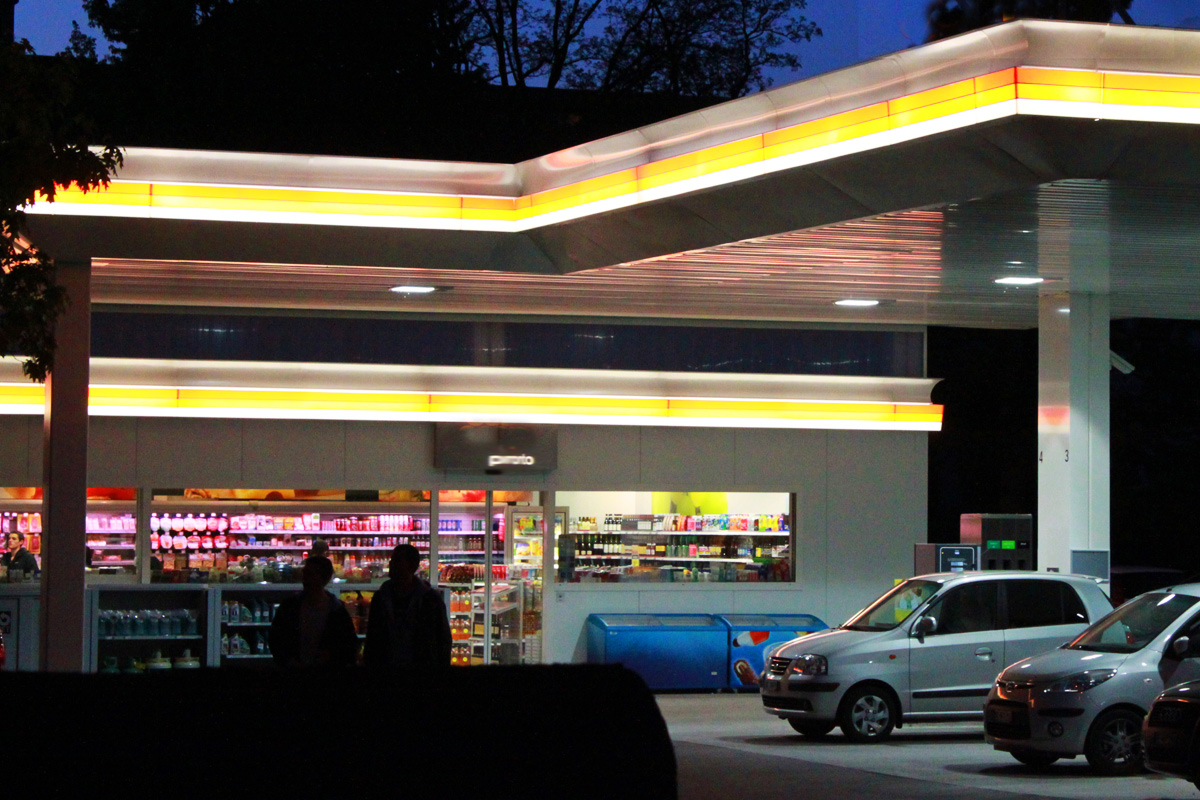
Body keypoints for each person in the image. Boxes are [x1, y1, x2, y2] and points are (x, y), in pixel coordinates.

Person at [364, 544, 451, 669]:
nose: (391, 564)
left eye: (397, 560)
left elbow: (442, 641)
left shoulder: (430, 600)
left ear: (411, 566)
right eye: (392, 560)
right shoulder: (381, 597)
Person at [269, 556, 359, 668]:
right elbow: (276, 638)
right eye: (305, 573)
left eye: (310, 574)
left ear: (323, 578)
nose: (305, 578)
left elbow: (348, 644)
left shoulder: (337, 610)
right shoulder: (290, 606)